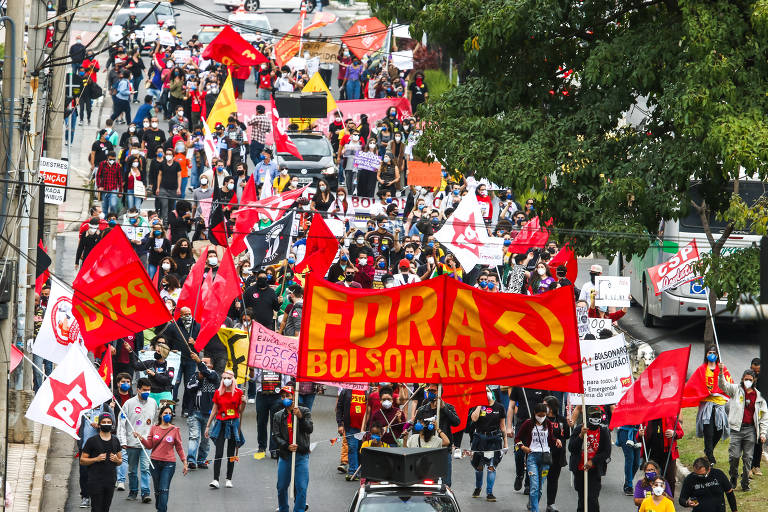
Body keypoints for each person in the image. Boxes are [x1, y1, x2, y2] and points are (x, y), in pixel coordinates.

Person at [719, 365, 768, 491]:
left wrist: (763, 433)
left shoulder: (759, 396)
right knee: (734, 456)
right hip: (736, 430)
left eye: (750, 380)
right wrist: (721, 372)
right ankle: (733, 476)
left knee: (747, 459)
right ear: (742, 379)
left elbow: (764, 417)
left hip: (750, 430)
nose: (748, 382)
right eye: (746, 379)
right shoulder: (735, 389)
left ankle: (745, 483)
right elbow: (723, 385)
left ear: (754, 380)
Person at [683, 346, 733, 465]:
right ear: (706, 355)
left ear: (717, 355)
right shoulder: (702, 369)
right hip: (707, 406)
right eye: (710, 352)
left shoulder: (723, 369)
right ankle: (710, 456)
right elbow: (693, 384)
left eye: (714, 353)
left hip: (719, 405)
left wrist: (721, 371)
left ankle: (708, 451)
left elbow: (729, 385)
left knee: (719, 431)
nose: (712, 354)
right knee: (708, 431)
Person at [135, 404, 188, 512]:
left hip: (169, 464)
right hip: (154, 463)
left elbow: (179, 447)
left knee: (164, 489)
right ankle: (160, 507)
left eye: (170, 413)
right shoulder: (154, 428)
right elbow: (149, 445)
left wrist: (185, 462)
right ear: (160, 415)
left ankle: (161, 510)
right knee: (157, 490)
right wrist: (141, 438)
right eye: (165, 413)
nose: (168, 415)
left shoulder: (174, 430)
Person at [273, 385, 313, 512]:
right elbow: (276, 436)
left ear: (294, 397)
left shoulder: (305, 411)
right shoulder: (278, 415)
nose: (285, 398)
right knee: (281, 486)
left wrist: (300, 417)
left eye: (288, 396)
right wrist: (287, 446)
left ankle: (299, 509)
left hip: (301, 455)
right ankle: (283, 508)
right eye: (283, 396)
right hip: (285, 456)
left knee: (301, 487)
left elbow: (309, 429)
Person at [515, 403, 561, 512]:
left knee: (539, 488)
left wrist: (557, 441)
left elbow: (550, 439)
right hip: (532, 457)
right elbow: (517, 439)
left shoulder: (548, 423)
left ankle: (532, 504)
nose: (541, 417)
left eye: (543, 415)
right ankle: (535, 510)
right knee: (534, 487)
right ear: (535, 413)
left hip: (545, 458)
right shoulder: (528, 423)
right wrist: (523, 447)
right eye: (539, 415)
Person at [117, 378, 156, 503]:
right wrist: (123, 441)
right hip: (132, 444)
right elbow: (121, 423)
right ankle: (133, 491)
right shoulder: (128, 404)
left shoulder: (153, 403)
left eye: (149, 390)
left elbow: (155, 422)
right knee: (132, 470)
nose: (147, 392)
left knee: (145, 469)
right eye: (144, 390)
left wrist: (154, 439)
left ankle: (145, 493)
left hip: (146, 444)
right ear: (138, 389)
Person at [205, 369, 245, 489]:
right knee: (219, 452)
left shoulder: (238, 392)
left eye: (229, 378)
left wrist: (244, 402)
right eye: (224, 378)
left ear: (233, 379)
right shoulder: (218, 392)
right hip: (221, 424)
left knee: (231, 453)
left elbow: (240, 411)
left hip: (233, 424)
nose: (226, 380)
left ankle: (229, 479)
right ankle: (215, 479)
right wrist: (208, 426)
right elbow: (214, 410)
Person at [413, 383, 460, 485]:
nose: (430, 393)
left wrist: (444, 408)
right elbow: (414, 431)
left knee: (446, 483)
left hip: (443, 451)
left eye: (433, 391)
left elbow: (457, 422)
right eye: (429, 391)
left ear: (439, 393)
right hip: (426, 451)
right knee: (426, 483)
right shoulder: (422, 410)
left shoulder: (449, 407)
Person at [569, 406, 611, 512]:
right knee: (582, 499)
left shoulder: (604, 431)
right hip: (580, 469)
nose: (596, 418)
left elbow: (606, 452)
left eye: (598, 416)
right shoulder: (579, 429)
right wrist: (580, 436)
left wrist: (593, 461)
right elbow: (571, 448)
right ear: (588, 417)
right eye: (593, 416)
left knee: (592, 498)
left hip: (594, 470)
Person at [470, 387, 508, 501]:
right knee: (479, 466)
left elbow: (503, 426)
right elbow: (474, 419)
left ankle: (489, 492)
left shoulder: (499, 407)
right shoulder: (478, 406)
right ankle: (478, 487)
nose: (486, 393)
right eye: (484, 392)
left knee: (491, 467)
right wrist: (479, 404)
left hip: (494, 439)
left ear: (491, 392)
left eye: (488, 391)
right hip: (479, 438)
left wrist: (505, 443)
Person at [80, 412, 122, 512]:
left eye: (108, 422)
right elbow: (82, 460)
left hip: (110, 480)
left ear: (112, 424)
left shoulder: (115, 440)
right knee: (96, 508)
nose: (106, 424)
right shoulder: (91, 441)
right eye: (104, 422)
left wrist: (117, 460)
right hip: (95, 480)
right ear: (99, 425)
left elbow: (120, 461)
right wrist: (96, 459)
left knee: (105, 508)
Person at [185, 352, 219, 469]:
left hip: (208, 415)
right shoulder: (195, 375)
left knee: (205, 439)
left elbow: (206, 372)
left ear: (211, 366)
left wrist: (199, 362)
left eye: (205, 363)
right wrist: (198, 380)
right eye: (202, 362)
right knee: (194, 437)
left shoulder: (214, 375)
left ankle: (201, 460)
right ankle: (191, 460)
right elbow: (189, 388)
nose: (203, 364)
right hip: (194, 412)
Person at [640, 416, 684, 496]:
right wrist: (640, 434)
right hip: (651, 455)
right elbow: (639, 437)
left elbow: (680, 433)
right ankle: (651, 500)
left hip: (668, 455)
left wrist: (674, 433)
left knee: (670, 480)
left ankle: (669, 501)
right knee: (651, 479)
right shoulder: (647, 417)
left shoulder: (671, 416)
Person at [543, 395, 570, 512]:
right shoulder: (540, 419)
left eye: (545, 405)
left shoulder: (562, 420)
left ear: (552, 407)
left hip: (557, 456)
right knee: (539, 480)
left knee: (553, 480)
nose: (543, 407)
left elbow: (567, 435)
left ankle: (550, 504)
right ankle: (533, 500)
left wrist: (569, 424)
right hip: (543, 454)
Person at [336, 387, 369, 480]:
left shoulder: (368, 391)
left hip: (364, 428)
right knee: (352, 447)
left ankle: (361, 471)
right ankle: (352, 472)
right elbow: (339, 408)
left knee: (361, 449)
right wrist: (340, 424)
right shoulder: (345, 391)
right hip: (350, 427)